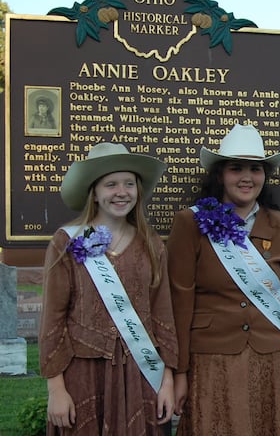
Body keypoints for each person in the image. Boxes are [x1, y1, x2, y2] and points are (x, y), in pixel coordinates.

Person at [167, 123, 280, 435]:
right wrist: (178, 372)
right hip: (211, 359)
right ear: (220, 174)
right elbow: (178, 303)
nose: (247, 177)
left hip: (273, 360)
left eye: (255, 169)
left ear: (265, 175)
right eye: (236, 168)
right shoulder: (190, 223)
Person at [39, 142, 176, 434]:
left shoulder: (151, 245)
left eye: (129, 184)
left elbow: (163, 316)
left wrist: (167, 381)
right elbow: (53, 318)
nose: (121, 192)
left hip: (140, 374)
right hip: (84, 374)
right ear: (95, 193)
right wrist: (56, 389)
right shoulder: (66, 242)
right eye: (110, 184)